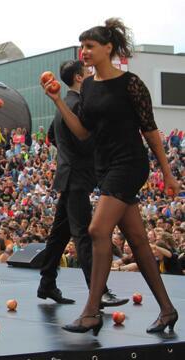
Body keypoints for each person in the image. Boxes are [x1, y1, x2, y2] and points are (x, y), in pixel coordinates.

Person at [43, 18, 179, 335]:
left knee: (96, 228)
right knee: (139, 243)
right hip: (105, 167)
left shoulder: (131, 83)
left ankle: (91, 311)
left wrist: (168, 175)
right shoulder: (88, 86)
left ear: (108, 48)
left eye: (90, 46)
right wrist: (59, 101)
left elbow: (151, 132)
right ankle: (168, 310)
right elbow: (82, 132)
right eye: (82, 46)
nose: (84, 51)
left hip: (129, 164)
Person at [38, 60, 127, 307]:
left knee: (59, 235)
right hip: (77, 177)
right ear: (79, 77)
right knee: (83, 236)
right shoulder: (77, 104)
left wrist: (68, 156)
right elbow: (84, 141)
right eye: (87, 72)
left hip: (70, 175)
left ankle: (47, 283)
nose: (91, 74)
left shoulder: (65, 104)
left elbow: (52, 137)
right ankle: (99, 291)